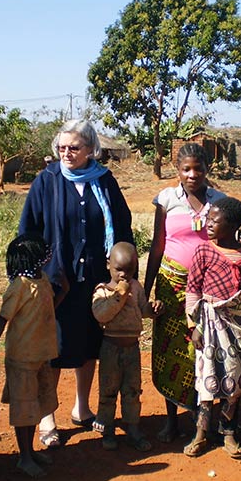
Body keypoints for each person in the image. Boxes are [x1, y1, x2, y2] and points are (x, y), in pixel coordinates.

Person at [19, 119, 134, 448]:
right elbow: (28, 230)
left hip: (96, 281)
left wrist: (122, 275)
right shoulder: (47, 181)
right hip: (58, 283)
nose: (66, 153)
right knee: (54, 349)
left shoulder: (105, 181)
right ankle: (47, 418)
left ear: (90, 149)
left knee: (88, 346)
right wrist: (33, 275)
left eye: (74, 148)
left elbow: (122, 227)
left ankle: (82, 408)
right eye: (61, 147)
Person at [144, 143, 227, 443]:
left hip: (208, 288)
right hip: (171, 286)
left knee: (205, 350)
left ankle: (202, 419)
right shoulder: (167, 199)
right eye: (186, 169)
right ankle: (171, 420)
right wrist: (145, 291)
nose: (193, 175)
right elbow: (157, 245)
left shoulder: (219, 201)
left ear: (207, 168)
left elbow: (227, 243)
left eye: (198, 168)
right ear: (177, 170)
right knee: (171, 351)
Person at [183, 197, 241, 459]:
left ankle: (229, 432)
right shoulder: (203, 250)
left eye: (215, 220)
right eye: (208, 219)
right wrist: (194, 326)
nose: (209, 224)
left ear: (233, 225)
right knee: (205, 380)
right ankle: (200, 433)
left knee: (234, 379)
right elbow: (193, 290)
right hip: (208, 325)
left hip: (238, 327)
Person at [0, 233, 60, 478]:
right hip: (22, 359)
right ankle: (24, 457)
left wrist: (64, 289)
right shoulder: (19, 286)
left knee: (34, 406)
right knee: (24, 409)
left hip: (40, 355)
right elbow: (3, 319)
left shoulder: (42, 280)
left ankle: (30, 451)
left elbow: (48, 306)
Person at [91, 242, 164, 451]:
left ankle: (133, 429)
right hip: (111, 348)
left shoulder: (136, 287)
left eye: (129, 270)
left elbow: (142, 310)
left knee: (132, 391)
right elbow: (101, 315)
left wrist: (153, 309)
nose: (124, 275)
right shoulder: (102, 291)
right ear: (108, 265)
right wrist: (119, 296)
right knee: (108, 391)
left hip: (132, 349)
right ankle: (107, 429)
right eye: (118, 269)